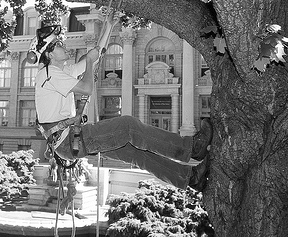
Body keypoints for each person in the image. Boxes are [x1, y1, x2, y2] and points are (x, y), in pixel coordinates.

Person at [33, 23, 211, 190]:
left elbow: (94, 57)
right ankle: (191, 148)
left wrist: (108, 26)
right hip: (68, 139)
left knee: (135, 153)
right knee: (128, 126)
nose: (64, 46)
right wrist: (88, 63)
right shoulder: (49, 74)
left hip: (68, 140)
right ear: (49, 54)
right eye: (58, 45)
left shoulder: (59, 72)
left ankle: (191, 178)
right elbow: (87, 86)